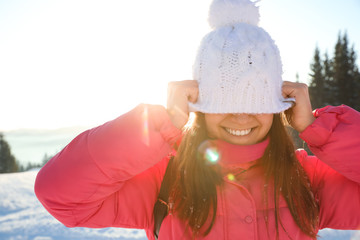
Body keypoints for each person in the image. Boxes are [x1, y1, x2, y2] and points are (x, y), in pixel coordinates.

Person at [35, 0, 360, 239]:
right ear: (199, 103)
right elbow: (60, 195)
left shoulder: (306, 180)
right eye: (224, 100)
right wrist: (161, 124)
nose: (241, 114)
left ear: (279, 106)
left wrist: (323, 130)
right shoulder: (164, 183)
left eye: (255, 100)